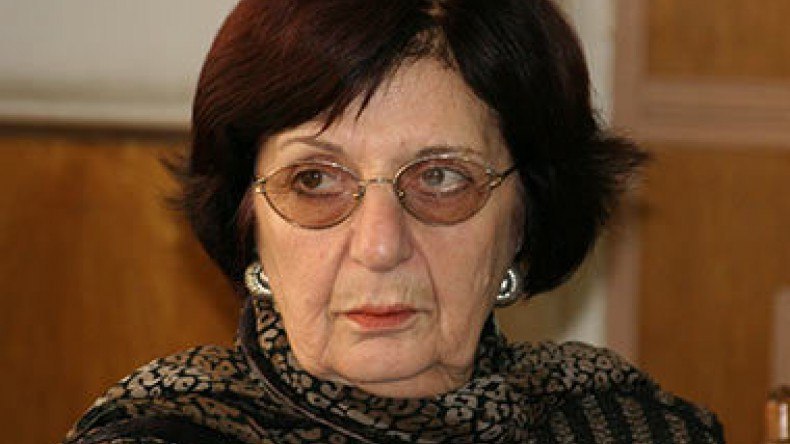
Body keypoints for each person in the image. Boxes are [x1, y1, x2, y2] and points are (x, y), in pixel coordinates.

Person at [64, 0, 725, 442]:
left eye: (440, 178)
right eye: (315, 180)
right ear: (249, 217)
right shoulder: (162, 433)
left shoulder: (631, 425)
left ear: (524, 217)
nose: (380, 246)